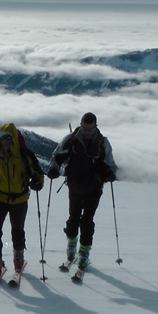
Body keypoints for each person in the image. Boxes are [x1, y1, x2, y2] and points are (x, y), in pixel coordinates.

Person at [47, 112, 118, 280]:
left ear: (95, 127)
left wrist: (110, 174)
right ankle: (72, 248)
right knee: (73, 219)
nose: (87, 132)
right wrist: (54, 168)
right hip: (75, 187)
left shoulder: (102, 143)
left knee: (86, 221)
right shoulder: (71, 139)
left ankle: (83, 253)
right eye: (85, 129)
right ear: (81, 125)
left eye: (90, 129)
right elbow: (57, 156)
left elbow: (110, 164)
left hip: (94, 188)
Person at [0, 123, 45, 281]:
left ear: (13, 139)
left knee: (17, 230)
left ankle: (17, 256)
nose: (5, 142)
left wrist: (38, 183)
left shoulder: (24, 155)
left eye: (8, 139)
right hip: (0, 199)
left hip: (19, 199)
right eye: (2, 139)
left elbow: (38, 174)